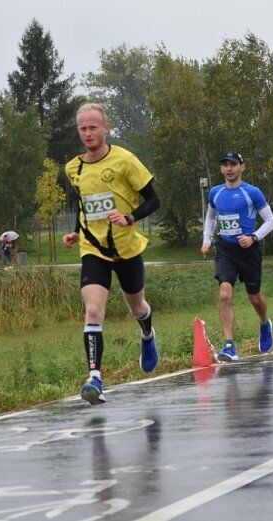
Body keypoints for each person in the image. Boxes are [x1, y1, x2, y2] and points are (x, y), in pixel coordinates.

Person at [63, 102, 160, 405]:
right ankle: (95, 379)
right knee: (93, 310)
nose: (88, 133)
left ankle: (147, 333)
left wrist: (129, 218)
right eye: (83, 128)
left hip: (127, 248)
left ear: (106, 128)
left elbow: (154, 200)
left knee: (137, 307)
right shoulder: (73, 168)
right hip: (93, 249)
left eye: (93, 127)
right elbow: (84, 206)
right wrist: (77, 232)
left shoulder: (125, 160)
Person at [201, 151, 273, 362]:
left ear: (242, 167)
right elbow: (210, 218)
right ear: (221, 169)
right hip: (225, 248)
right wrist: (207, 240)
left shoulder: (252, 192)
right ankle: (230, 346)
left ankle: (264, 323)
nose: (229, 168)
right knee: (225, 294)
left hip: (248, 250)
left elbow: (271, 221)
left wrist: (254, 237)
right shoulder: (215, 193)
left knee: (254, 297)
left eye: (233, 164)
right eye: (225, 165)